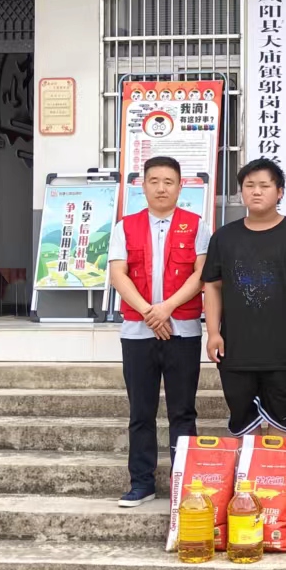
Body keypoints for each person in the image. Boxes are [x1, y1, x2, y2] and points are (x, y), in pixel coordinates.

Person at [108, 156, 209, 508]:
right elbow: (118, 274)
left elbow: (201, 274)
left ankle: (185, 483)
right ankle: (141, 483)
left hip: (183, 332)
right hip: (138, 333)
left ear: (180, 187)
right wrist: (149, 313)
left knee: (183, 411)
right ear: (143, 185)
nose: (161, 188)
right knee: (141, 411)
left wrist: (165, 308)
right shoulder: (125, 226)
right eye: (154, 181)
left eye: (169, 181)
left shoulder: (196, 225)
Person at [202, 158, 286, 438]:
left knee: (282, 426)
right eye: (249, 186)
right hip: (236, 351)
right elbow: (212, 286)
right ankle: (248, 468)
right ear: (241, 192)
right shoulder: (224, 238)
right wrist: (213, 333)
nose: (256, 191)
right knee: (244, 427)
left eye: (264, 186)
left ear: (279, 192)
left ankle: (278, 469)